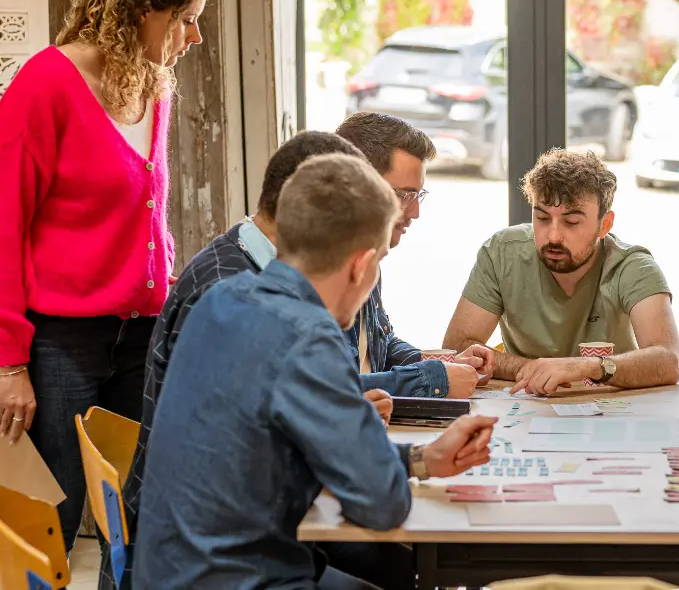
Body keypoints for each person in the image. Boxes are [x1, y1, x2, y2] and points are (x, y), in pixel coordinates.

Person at [110, 130, 480, 590]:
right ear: (361, 265)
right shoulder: (309, 336)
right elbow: (381, 505)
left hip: (171, 569)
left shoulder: (224, 296)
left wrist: (421, 458)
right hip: (241, 576)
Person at [0, 0, 215, 551]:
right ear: (142, 10)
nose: (194, 38)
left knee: (140, 514)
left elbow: (149, 214)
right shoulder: (47, 84)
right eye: (186, 19)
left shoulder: (152, 81)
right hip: (61, 341)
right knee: (53, 519)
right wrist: (10, 361)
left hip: (141, 333)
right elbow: (5, 225)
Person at [444, 149, 679, 395]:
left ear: (605, 224)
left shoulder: (633, 266)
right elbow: (457, 347)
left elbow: (667, 360)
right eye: (543, 218)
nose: (554, 236)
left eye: (571, 222)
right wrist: (532, 368)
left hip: (609, 408)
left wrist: (585, 367)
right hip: (527, 404)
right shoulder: (501, 252)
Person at [334, 112, 493, 386]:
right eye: (404, 195)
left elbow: (380, 346)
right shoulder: (315, 268)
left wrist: (438, 364)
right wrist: (432, 379)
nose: (415, 212)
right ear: (356, 186)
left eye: (418, 195)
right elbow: (332, 391)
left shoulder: (368, 255)